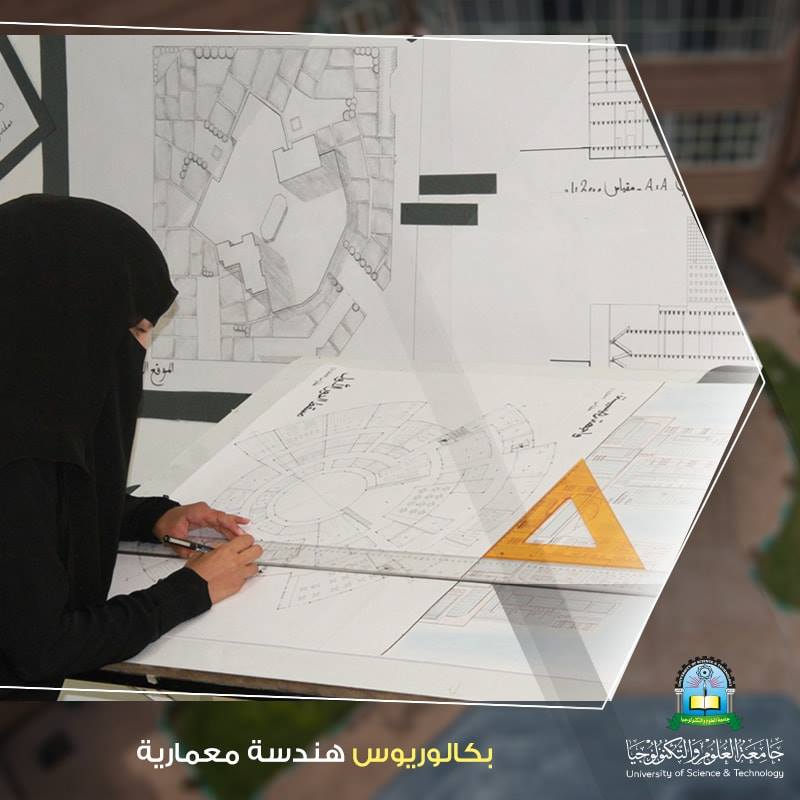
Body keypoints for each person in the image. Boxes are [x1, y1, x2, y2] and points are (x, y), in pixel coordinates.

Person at [0, 193, 263, 697]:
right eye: (138, 328)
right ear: (69, 323)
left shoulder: (24, 426)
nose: (142, 349)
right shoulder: (15, 458)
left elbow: (42, 520)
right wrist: (193, 590)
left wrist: (152, 518)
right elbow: (41, 648)